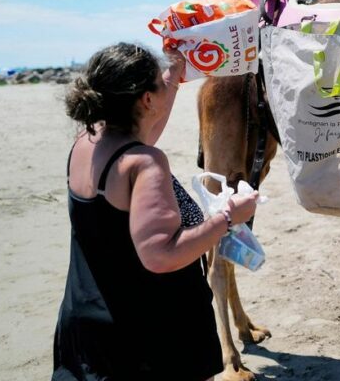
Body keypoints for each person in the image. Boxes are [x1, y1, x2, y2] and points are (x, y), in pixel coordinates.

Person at [53, 42, 258, 380]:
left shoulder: (87, 141)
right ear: (146, 100)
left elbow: (142, 131)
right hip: (142, 338)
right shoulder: (145, 163)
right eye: (159, 84)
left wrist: (172, 79)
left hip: (86, 318)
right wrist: (228, 217)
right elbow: (161, 255)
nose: (166, 86)